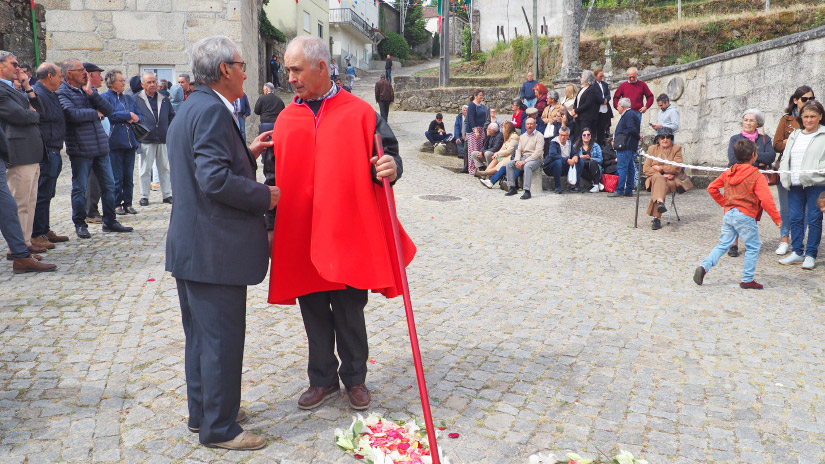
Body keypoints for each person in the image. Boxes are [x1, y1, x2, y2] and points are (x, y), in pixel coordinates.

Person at [269, 35, 414, 414]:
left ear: (321, 67)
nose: (291, 77)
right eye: (287, 70)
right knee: (313, 309)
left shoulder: (361, 113)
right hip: (302, 231)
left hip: (348, 230)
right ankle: (321, 380)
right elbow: (273, 177)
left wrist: (392, 168)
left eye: (296, 69)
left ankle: (355, 379)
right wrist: (271, 225)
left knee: (350, 310)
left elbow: (389, 155)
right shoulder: (285, 118)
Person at [166, 35, 279, 451]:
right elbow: (212, 180)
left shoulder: (195, 106)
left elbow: (204, 164)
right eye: (242, 64)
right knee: (220, 341)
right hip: (213, 250)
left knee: (201, 339)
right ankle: (221, 429)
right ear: (224, 70)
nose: (247, 72)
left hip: (194, 247)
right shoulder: (212, 111)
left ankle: (205, 412)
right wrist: (262, 194)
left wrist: (246, 154)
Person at [57, 59, 133, 238]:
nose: (85, 73)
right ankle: (80, 223)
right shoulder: (63, 92)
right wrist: (95, 114)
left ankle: (110, 221)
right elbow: (71, 115)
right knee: (80, 188)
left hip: (100, 146)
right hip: (80, 147)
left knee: (108, 186)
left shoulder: (88, 92)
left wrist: (91, 93)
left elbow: (108, 110)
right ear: (69, 74)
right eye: (81, 70)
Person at [694, 138, 781, 289]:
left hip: (729, 213)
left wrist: (725, 203)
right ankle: (747, 279)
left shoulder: (729, 172)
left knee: (723, 244)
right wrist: (777, 218)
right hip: (746, 214)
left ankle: (704, 266)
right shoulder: (757, 175)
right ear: (754, 155)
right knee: (753, 246)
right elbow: (766, 199)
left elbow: (711, 188)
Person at [0, 51, 48, 255]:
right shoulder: (2, 90)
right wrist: (32, 114)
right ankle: (17, 247)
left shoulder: (15, 89)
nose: (18, 68)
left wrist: (28, 87)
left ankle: (25, 242)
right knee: (19, 201)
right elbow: (19, 115)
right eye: (14, 63)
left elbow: (40, 111)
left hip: (32, 150)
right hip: (18, 151)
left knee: (29, 201)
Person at [0, 121, 56, 272]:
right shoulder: (6, 96)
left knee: (14, 206)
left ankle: (21, 252)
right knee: (12, 205)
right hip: (15, 154)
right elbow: (19, 115)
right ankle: (20, 253)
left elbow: (40, 113)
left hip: (12, 154)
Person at [778, 101, 825, 270]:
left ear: (820, 117)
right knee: (795, 218)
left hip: (816, 184)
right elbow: (786, 156)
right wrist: (784, 173)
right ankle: (797, 252)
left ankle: (811, 254)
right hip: (795, 183)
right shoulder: (795, 135)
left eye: (813, 116)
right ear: (801, 117)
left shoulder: (824, 134)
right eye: (806, 116)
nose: (809, 120)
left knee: (814, 219)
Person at [725, 108, 775, 257]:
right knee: (736, 209)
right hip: (737, 181)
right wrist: (757, 161)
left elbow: (771, 156)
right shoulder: (735, 139)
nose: (748, 123)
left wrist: (750, 159)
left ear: (757, 123)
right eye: (746, 120)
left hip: (756, 181)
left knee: (753, 211)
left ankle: (750, 241)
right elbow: (733, 160)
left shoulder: (764, 139)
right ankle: (733, 244)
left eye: (751, 120)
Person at [31, 63, 69, 249]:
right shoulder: (38, 94)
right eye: (60, 76)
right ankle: (37, 233)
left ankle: (44, 229)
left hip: (54, 147)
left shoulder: (51, 94)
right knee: (42, 193)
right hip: (46, 150)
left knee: (48, 193)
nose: (62, 80)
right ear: (49, 76)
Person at [773, 86, 813, 255]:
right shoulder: (786, 119)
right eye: (805, 99)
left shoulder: (818, 119)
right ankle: (784, 239)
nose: (808, 102)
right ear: (796, 100)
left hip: (808, 168)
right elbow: (776, 144)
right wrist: (794, 141)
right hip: (787, 167)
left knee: (804, 209)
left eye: (811, 98)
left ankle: (798, 242)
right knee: (786, 207)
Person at [101, 69, 143, 215]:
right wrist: (127, 115)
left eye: (124, 80)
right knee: (116, 176)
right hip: (114, 142)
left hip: (130, 142)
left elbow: (140, 115)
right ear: (112, 83)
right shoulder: (105, 97)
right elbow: (108, 115)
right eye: (121, 80)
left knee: (128, 176)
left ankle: (128, 203)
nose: (123, 83)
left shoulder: (128, 98)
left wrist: (134, 117)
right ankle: (116, 203)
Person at [134, 71, 175, 206]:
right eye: (149, 82)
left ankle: (167, 194)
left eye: (154, 82)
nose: (152, 85)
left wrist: (169, 131)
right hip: (146, 139)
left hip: (162, 138)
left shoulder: (163, 98)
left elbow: (171, 116)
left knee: (164, 168)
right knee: (145, 169)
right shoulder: (136, 99)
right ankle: (144, 195)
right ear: (142, 84)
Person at [255, 82, 285, 245]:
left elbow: (256, 111)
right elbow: (283, 111)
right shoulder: (279, 100)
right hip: (277, 126)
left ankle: (265, 159)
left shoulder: (262, 99)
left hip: (265, 125)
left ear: (266, 90)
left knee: (266, 151)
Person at [642, 129, 683, 230]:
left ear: (671, 139)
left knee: (659, 183)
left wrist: (660, 168)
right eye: (662, 137)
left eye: (668, 137)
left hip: (670, 182)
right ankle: (659, 207)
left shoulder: (676, 149)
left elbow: (677, 167)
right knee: (658, 178)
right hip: (654, 179)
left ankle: (657, 216)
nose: (665, 139)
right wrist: (663, 174)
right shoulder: (652, 149)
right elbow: (646, 169)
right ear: (658, 139)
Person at [608, 97, 641, 197]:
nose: (617, 108)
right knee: (630, 167)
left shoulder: (629, 115)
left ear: (622, 107)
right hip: (629, 145)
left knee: (622, 167)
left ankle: (620, 190)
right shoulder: (631, 114)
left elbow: (631, 129)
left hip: (626, 145)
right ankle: (629, 189)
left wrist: (636, 137)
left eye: (618, 106)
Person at [504, 117, 544, 200]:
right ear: (525, 126)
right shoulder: (522, 136)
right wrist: (517, 160)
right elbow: (518, 150)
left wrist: (524, 161)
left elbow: (538, 152)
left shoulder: (539, 136)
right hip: (523, 157)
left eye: (531, 124)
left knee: (527, 166)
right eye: (528, 124)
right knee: (509, 164)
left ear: (535, 125)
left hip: (536, 158)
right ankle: (512, 187)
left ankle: (527, 190)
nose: (529, 126)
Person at [479, 121, 519, 186]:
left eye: (503, 128)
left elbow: (510, 150)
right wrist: (497, 154)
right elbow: (502, 148)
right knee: (496, 159)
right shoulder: (507, 137)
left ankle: (485, 173)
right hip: (503, 156)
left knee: (500, 164)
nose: (502, 129)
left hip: (509, 157)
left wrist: (499, 154)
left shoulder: (514, 137)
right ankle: (485, 174)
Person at [571, 70, 601, 141]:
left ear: (587, 78)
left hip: (587, 117)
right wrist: (574, 110)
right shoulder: (582, 88)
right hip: (579, 117)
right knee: (578, 137)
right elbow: (577, 101)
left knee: (585, 136)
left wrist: (576, 110)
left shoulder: (591, 89)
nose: (580, 79)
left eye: (582, 77)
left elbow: (587, 104)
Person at [542, 125, 573, 194]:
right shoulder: (554, 142)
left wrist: (575, 157)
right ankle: (557, 186)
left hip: (564, 166)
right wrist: (566, 159)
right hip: (551, 167)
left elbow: (574, 153)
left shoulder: (569, 143)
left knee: (579, 162)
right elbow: (553, 155)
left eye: (565, 135)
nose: (562, 137)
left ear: (568, 136)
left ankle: (575, 185)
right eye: (561, 135)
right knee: (558, 162)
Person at [573, 127, 603, 192]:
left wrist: (591, 158)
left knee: (592, 163)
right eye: (584, 135)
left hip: (593, 167)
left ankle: (596, 184)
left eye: (588, 135)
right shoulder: (576, 146)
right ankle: (596, 183)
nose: (586, 136)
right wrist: (580, 157)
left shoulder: (596, 146)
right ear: (581, 136)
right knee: (580, 166)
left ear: (591, 136)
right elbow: (572, 157)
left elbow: (600, 159)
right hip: (582, 165)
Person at [465, 89, 488, 175]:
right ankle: (472, 169)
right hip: (474, 130)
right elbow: (471, 119)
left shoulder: (481, 105)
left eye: (482, 95)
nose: (481, 97)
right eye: (480, 95)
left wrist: (483, 131)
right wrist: (475, 131)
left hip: (481, 129)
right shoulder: (472, 105)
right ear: (475, 96)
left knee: (479, 150)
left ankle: (478, 167)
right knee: (473, 150)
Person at [594, 68, 613, 146]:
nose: (602, 77)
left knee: (604, 126)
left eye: (602, 76)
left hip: (605, 108)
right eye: (600, 76)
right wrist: (602, 101)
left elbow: (608, 94)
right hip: (597, 109)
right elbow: (595, 95)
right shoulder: (593, 85)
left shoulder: (604, 84)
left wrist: (606, 100)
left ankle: (604, 142)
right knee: (598, 128)